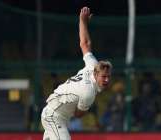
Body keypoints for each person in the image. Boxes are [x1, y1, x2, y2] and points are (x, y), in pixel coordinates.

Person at [41, 7, 112, 140]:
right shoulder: (89, 92)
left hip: (55, 114)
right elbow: (78, 115)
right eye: (103, 76)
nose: (106, 79)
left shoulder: (93, 65)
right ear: (96, 75)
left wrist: (82, 21)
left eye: (108, 76)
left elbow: (85, 44)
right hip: (54, 117)